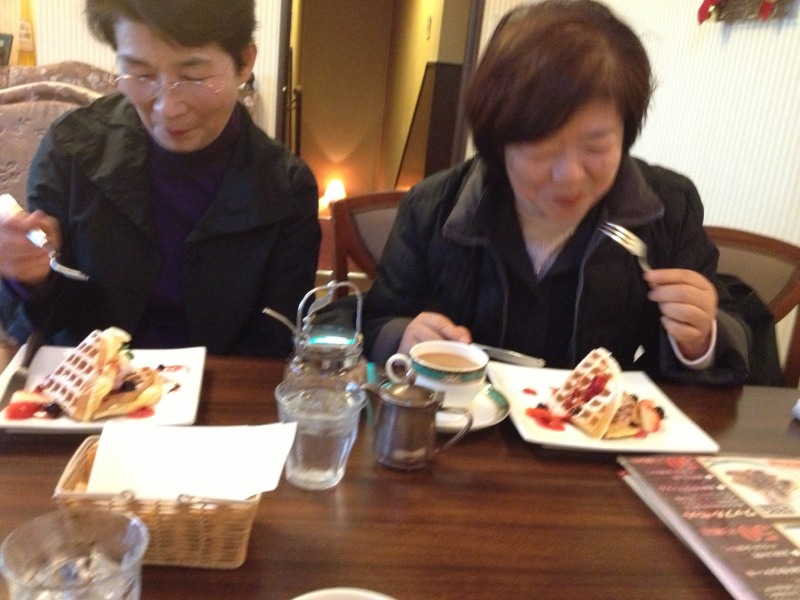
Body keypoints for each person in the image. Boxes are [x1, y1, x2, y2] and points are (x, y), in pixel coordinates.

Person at [363, 0, 750, 385]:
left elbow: (732, 331)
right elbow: (379, 320)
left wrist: (700, 341)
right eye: (542, 148)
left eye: (596, 147)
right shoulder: (434, 208)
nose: (569, 176)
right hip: (468, 419)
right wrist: (403, 337)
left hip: (600, 420)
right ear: (498, 141)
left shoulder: (667, 208)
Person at [0, 0, 320, 357]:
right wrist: (29, 277)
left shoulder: (287, 190)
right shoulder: (71, 151)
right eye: (141, 75)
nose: (167, 107)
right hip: (90, 384)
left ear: (244, 62)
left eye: (194, 77)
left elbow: (275, 346)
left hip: (221, 387)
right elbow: (39, 326)